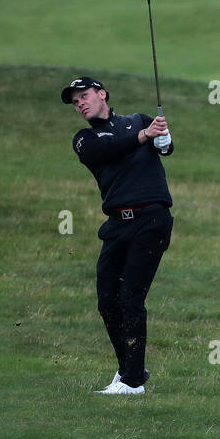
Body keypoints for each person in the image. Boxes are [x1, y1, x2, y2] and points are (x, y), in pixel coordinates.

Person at [62, 76, 175, 395]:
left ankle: (132, 382)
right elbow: (108, 150)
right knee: (107, 300)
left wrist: (163, 139)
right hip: (116, 225)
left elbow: (164, 149)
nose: (80, 103)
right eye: (75, 102)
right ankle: (130, 369)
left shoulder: (138, 121)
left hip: (151, 219)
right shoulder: (85, 139)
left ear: (102, 94)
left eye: (84, 95)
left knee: (131, 298)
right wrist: (146, 135)